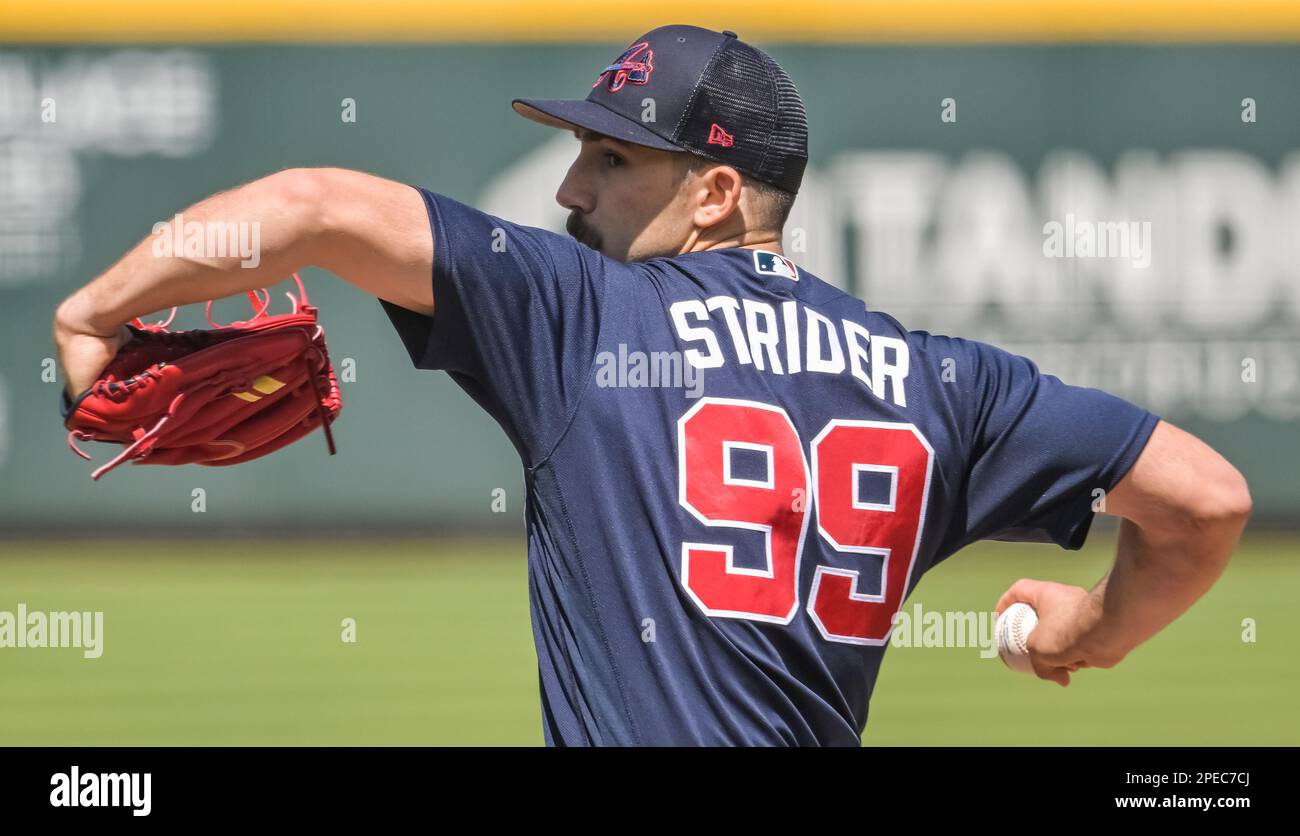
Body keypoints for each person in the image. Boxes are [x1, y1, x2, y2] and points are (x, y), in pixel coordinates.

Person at [54, 25, 1251, 745]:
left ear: (716, 195)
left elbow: (313, 207)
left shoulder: (583, 315)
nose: (572, 190)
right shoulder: (946, 383)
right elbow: (1204, 500)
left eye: (611, 157)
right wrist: (1090, 629)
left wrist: (97, 308)